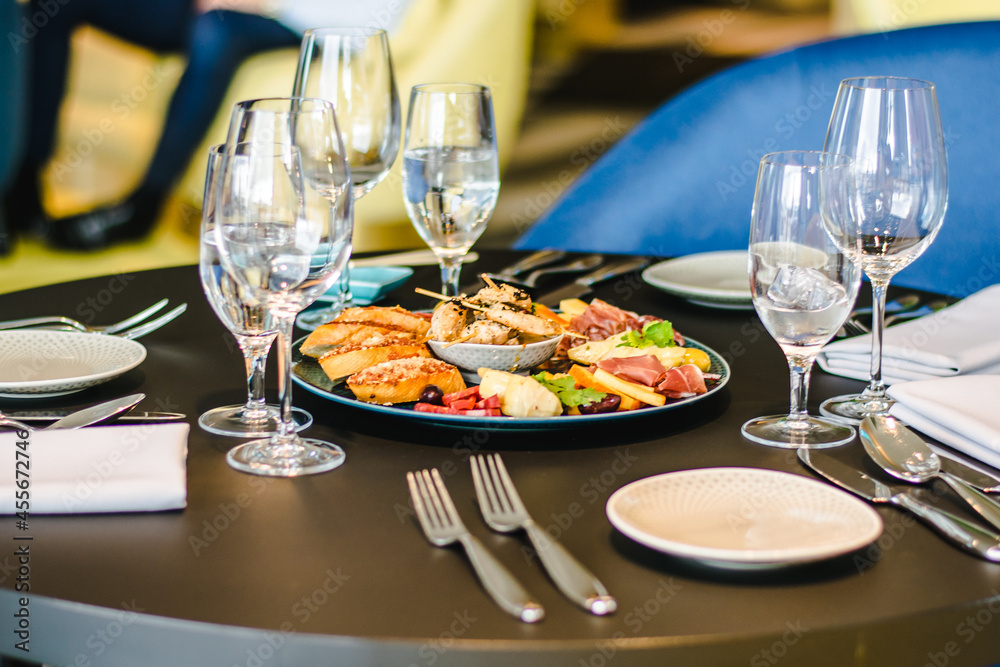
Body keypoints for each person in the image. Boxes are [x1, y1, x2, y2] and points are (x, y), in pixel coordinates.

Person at [2, 0, 413, 253]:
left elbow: (373, 13)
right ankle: (21, 186)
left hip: (298, 17)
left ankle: (143, 205)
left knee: (217, 27)